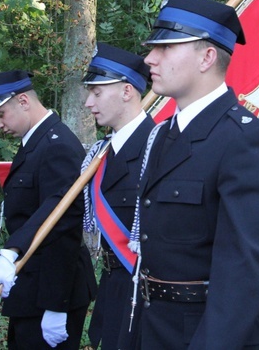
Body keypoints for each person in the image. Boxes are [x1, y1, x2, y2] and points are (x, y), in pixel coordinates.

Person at [134, 0, 259, 349]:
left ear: (207, 57)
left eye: (165, 48)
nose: (149, 60)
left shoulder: (248, 143)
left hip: (214, 334)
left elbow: (244, 274)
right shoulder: (162, 135)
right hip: (159, 327)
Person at [0, 70, 96, 350]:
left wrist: (56, 306)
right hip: (30, 286)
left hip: (51, 291)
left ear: (24, 101)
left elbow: (63, 226)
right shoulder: (36, 142)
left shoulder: (57, 146)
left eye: (1, 114)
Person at [80, 42, 155, 350]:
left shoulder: (159, 147)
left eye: (97, 92)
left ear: (127, 91)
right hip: (112, 288)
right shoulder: (99, 155)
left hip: (147, 297)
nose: (87, 102)